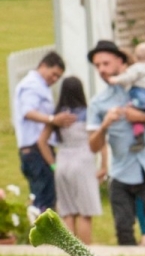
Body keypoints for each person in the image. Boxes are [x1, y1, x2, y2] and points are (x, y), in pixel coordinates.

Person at [86, 40, 145, 246]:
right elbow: (92, 146)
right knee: (122, 227)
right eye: (97, 66)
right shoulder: (98, 102)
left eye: (106, 63)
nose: (102, 69)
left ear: (120, 62)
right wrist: (104, 125)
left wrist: (141, 117)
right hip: (121, 171)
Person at [36, 77, 106, 244]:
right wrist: (104, 165)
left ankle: (69, 252)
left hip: (63, 161)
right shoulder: (87, 113)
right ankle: (86, 252)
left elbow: (41, 142)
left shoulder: (58, 116)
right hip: (83, 161)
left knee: (67, 211)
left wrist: (53, 164)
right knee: (85, 211)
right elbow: (99, 141)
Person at [13, 51, 76, 211]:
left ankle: (39, 233)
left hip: (39, 150)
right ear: (42, 65)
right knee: (43, 201)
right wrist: (52, 119)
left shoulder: (40, 86)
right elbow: (28, 111)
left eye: (58, 77)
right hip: (35, 150)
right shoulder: (32, 85)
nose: (54, 79)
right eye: (53, 74)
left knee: (44, 197)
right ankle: (40, 235)